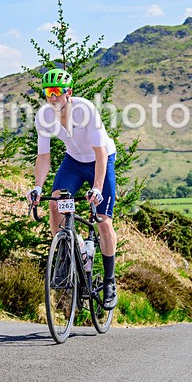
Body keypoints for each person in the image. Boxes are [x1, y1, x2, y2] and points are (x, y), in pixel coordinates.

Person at [27, 68, 118, 310]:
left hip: (101, 160)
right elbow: (43, 156)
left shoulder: (85, 110)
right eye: (48, 92)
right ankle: (69, 254)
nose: (52, 97)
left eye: (57, 92)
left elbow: (100, 155)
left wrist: (97, 188)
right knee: (55, 204)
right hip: (74, 162)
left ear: (69, 93)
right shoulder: (44, 116)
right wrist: (37, 187)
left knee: (103, 221)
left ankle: (109, 282)